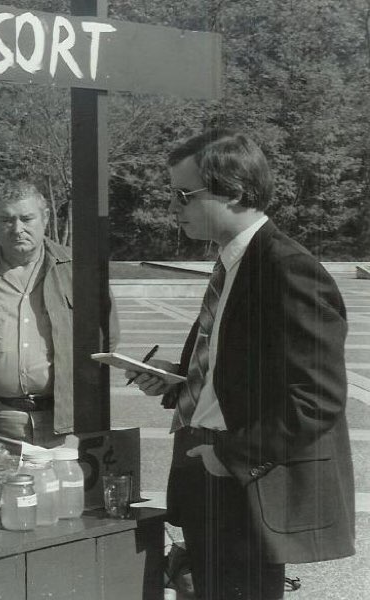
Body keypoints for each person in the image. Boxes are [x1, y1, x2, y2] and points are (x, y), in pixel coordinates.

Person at [127, 129, 355, 599]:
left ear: (232, 191)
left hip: (244, 481)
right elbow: (236, 370)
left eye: (183, 195)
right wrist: (180, 379)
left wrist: (232, 457)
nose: (173, 208)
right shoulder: (234, 264)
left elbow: (318, 397)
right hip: (207, 474)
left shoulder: (287, 268)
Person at [0, 180, 118, 455]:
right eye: (6, 220)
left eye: (26, 218)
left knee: (63, 498)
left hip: (65, 425)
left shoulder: (80, 271)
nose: (17, 229)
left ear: (44, 218)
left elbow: (107, 337)